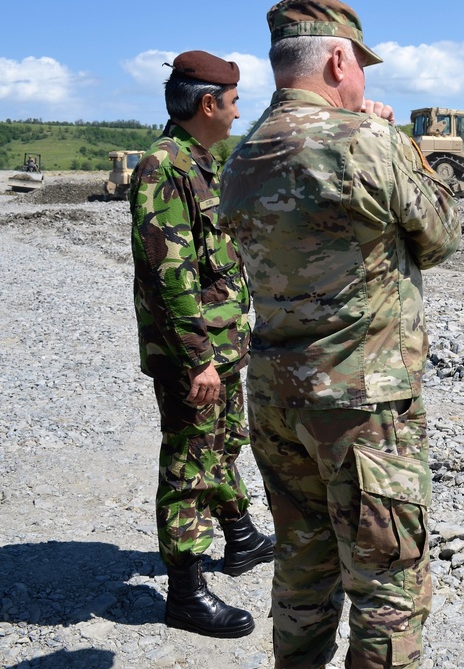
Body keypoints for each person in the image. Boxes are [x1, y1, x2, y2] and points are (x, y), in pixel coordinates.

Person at [219, 0, 461, 668]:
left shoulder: (244, 156)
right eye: (359, 67)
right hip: (361, 407)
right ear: (335, 59)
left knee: (302, 568)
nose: (363, 83)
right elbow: (441, 237)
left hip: (276, 399)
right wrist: (399, 142)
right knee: (388, 582)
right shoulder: (368, 140)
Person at [129, 50, 274, 639]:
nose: (239, 114)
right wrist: (199, 360)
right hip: (197, 356)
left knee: (224, 441)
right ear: (209, 103)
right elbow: (169, 277)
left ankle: (239, 538)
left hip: (219, 348)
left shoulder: (201, 162)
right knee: (189, 464)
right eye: (235, 102)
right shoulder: (164, 167)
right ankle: (185, 595)